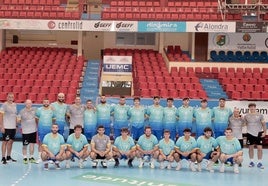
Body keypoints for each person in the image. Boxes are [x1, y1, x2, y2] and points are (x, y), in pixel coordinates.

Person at [244, 103, 266, 169]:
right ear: (249, 108)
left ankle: (259, 162)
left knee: (260, 148)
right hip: (250, 133)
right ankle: (251, 161)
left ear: (255, 107)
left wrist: (265, 132)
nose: (252, 108)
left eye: (253, 107)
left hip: (259, 133)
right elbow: (244, 123)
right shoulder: (246, 116)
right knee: (251, 148)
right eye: (251, 107)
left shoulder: (260, 115)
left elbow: (264, 124)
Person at [36, 98, 56, 163]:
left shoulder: (52, 110)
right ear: (43, 102)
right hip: (41, 130)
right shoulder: (39, 110)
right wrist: (40, 126)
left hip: (49, 130)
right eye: (45, 102)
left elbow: (54, 120)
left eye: (47, 102)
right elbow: (36, 119)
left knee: (49, 144)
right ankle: (40, 158)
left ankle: (49, 157)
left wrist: (50, 127)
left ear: (49, 103)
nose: (46, 103)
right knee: (40, 144)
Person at [18, 99, 38, 164]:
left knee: (32, 144)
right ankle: (25, 157)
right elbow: (18, 119)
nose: (29, 104)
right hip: (26, 131)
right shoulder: (22, 111)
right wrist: (18, 121)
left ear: (31, 104)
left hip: (33, 130)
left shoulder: (35, 110)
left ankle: (31, 157)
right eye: (27, 103)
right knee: (25, 145)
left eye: (30, 103)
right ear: (25, 104)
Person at [0, 93, 18, 164]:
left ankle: (8, 156)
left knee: (11, 142)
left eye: (12, 97)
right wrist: (2, 126)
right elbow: (1, 116)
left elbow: (15, 116)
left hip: (13, 127)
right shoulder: (4, 105)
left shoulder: (14, 105)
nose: (11, 98)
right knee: (5, 142)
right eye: (9, 97)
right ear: (7, 97)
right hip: (6, 127)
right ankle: (3, 157)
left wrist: (16, 126)